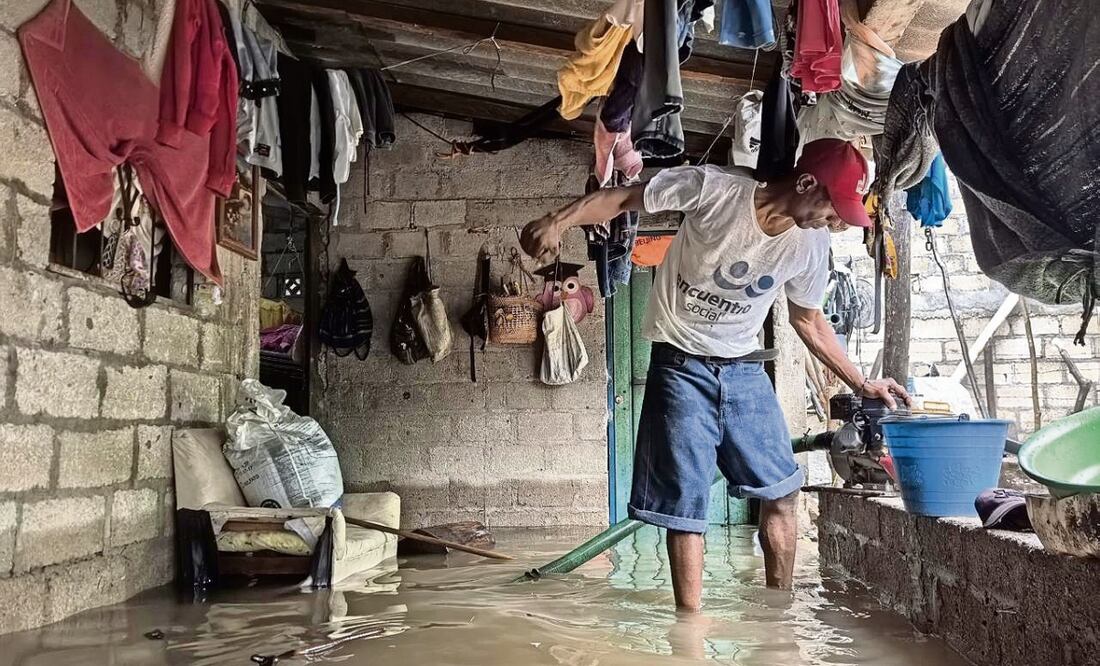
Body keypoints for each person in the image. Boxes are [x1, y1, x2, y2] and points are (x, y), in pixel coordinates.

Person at [521, 138, 911, 611]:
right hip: (680, 366)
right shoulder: (715, 189)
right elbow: (624, 198)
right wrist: (556, 220)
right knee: (686, 512)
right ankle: (691, 631)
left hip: (745, 372)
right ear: (806, 182)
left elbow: (808, 320)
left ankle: (777, 617)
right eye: (834, 209)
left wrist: (861, 383)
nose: (836, 223)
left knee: (782, 492)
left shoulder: (812, 245)